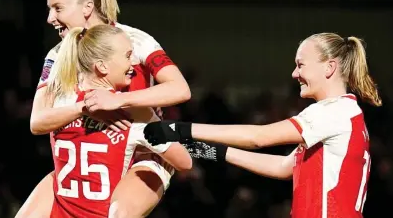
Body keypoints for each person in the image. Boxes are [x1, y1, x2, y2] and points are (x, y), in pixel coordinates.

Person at [144, 33, 382, 218]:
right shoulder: (346, 114)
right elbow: (283, 166)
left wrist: (180, 128)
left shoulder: (331, 112)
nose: (293, 73)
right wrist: (208, 150)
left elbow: (259, 136)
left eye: (301, 65)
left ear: (329, 67)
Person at [15, 0, 191, 217]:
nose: (50, 18)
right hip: (89, 161)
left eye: (57, 8)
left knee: (118, 213)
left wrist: (117, 101)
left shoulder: (133, 41)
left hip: (142, 151)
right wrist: (84, 108)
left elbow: (180, 89)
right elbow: (37, 121)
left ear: (87, 7)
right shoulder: (58, 54)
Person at [50, 24, 191, 217]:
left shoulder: (60, 100)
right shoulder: (133, 112)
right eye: (127, 55)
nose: (133, 62)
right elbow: (184, 162)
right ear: (102, 66)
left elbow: (37, 124)